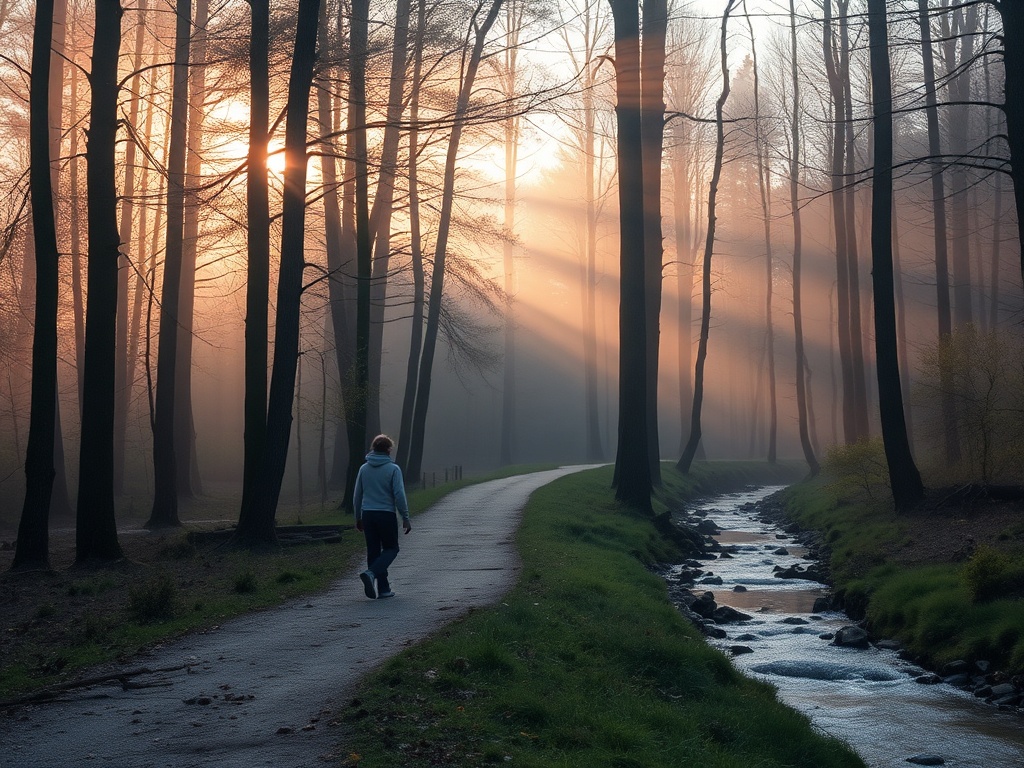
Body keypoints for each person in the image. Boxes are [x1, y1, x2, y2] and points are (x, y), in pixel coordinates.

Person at [353, 434, 411, 599]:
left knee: (373, 551)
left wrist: (358, 517)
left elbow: (357, 495)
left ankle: (383, 589)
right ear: (389, 449)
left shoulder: (364, 469)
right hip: (386, 514)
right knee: (392, 548)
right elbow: (399, 495)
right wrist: (405, 517)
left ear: (373, 448)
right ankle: (371, 574)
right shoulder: (393, 469)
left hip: (368, 515)